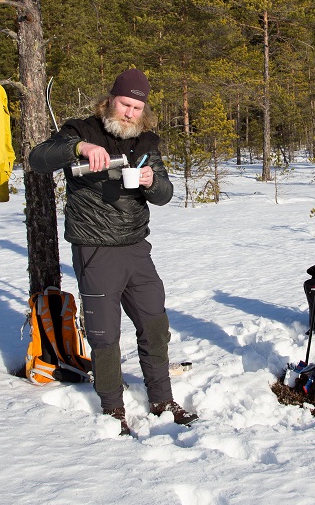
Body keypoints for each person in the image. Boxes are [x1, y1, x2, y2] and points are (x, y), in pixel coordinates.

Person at [29, 68, 197, 434]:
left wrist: (154, 183)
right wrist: (79, 148)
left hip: (137, 248)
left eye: (138, 107)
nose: (130, 113)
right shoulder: (81, 130)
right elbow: (38, 158)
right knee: (104, 336)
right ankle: (113, 407)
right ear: (110, 100)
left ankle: (162, 399)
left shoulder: (146, 141)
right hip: (95, 250)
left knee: (155, 325)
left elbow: (166, 194)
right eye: (125, 103)